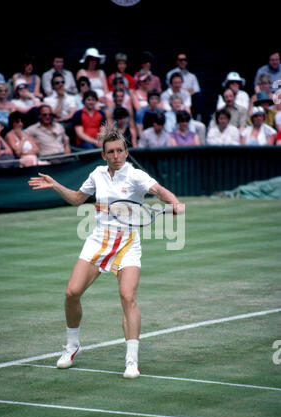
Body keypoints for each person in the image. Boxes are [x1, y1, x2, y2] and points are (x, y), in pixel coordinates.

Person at [28, 126, 184, 378]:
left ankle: (131, 360)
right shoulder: (98, 174)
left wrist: (174, 202)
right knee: (71, 293)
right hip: (98, 241)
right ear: (104, 155)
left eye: (120, 150)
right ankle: (72, 345)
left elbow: (159, 191)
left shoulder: (136, 176)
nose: (116, 155)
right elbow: (78, 199)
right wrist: (56, 185)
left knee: (127, 297)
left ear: (126, 151)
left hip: (127, 245)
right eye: (110, 152)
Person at [165, 53, 202, 118]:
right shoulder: (170, 74)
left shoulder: (192, 76)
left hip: (187, 99)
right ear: (177, 62)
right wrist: (187, 90)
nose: (183, 62)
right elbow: (171, 89)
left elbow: (195, 92)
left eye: (184, 60)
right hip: (172, 100)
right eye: (180, 60)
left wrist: (184, 90)